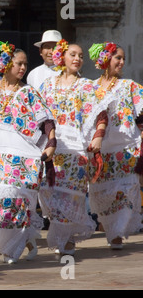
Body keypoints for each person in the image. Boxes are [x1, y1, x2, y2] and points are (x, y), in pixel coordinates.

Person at [0, 41, 56, 264]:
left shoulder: (28, 92)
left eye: (25, 64)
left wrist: (52, 142)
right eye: (18, 63)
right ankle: (23, 241)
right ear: (5, 64)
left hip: (22, 153)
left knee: (14, 195)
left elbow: (46, 120)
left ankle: (11, 248)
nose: (23, 68)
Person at [38, 39, 98, 255]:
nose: (77, 59)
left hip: (75, 147)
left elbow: (96, 115)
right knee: (51, 191)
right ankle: (61, 234)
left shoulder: (87, 86)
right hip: (53, 146)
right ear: (61, 57)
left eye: (81, 56)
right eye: (73, 54)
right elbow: (40, 116)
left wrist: (95, 139)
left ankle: (68, 237)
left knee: (72, 193)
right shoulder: (47, 85)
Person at [86, 42, 143, 249]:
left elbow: (141, 116)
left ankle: (118, 231)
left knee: (125, 190)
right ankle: (112, 231)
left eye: (123, 58)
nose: (121, 62)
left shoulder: (130, 86)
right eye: (117, 57)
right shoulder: (89, 88)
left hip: (127, 148)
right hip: (101, 149)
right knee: (104, 192)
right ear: (104, 60)